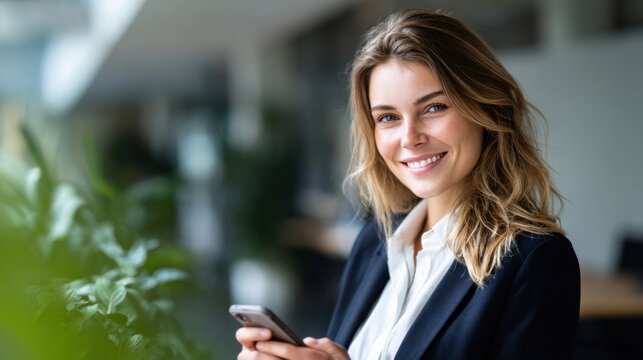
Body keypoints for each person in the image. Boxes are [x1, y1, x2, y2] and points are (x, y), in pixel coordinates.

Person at [235, 8, 580, 360]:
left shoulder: (534, 260)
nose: (409, 137)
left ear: (486, 108)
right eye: (388, 117)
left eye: (434, 108)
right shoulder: (375, 242)